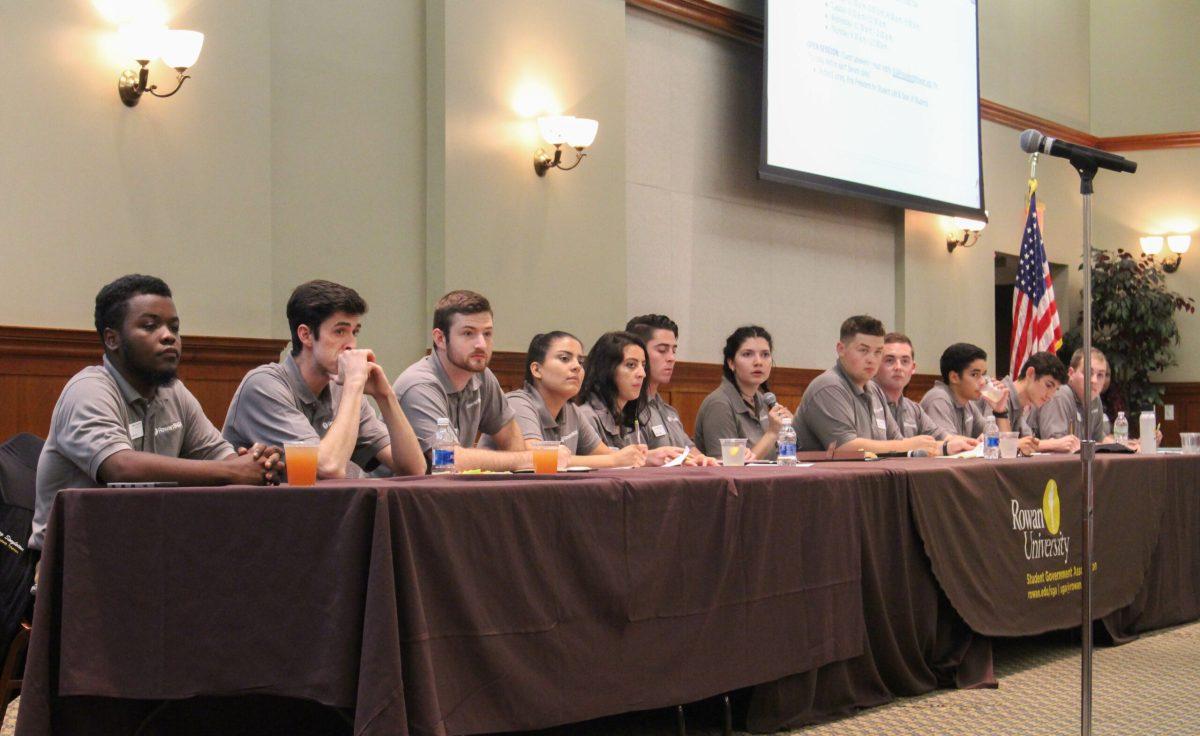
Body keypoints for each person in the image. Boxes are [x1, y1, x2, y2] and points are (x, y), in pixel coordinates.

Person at [30, 275, 281, 551]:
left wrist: (255, 465)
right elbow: (119, 468)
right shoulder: (88, 390)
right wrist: (231, 472)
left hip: (150, 553)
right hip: (76, 560)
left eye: (174, 327)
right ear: (112, 339)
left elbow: (220, 456)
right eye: (150, 326)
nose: (168, 336)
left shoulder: (174, 393)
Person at [223, 280, 425, 479]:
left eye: (354, 332)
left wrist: (385, 395)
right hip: (274, 510)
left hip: (332, 508)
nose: (351, 345)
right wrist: (354, 386)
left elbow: (414, 468)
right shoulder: (264, 385)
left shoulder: (341, 390)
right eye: (340, 331)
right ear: (306, 335)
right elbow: (327, 468)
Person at [394, 290, 540, 471]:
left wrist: (520, 461)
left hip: (446, 491)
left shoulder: (482, 376)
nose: (481, 344)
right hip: (397, 495)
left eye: (487, 334)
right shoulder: (419, 385)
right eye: (468, 333)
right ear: (440, 338)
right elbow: (448, 459)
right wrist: (523, 459)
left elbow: (512, 440)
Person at [796, 316, 966, 455]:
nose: (871, 359)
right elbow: (845, 447)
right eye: (863, 350)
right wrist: (910, 445)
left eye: (878, 352)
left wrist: (937, 447)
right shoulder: (829, 386)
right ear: (841, 349)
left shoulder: (874, 389)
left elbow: (896, 440)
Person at [483, 331, 647, 468]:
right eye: (564, 359)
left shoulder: (571, 410)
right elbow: (536, 460)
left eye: (580, 361)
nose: (577, 366)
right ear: (537, 370)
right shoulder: (517, 403)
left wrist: (642, 456)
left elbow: (606, 454)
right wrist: (614, 461)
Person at [625, 314, 719, 466]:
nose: (671, 358)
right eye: (662, 350)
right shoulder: (626, 409)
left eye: (673, 350)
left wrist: (702, 459)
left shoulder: (669, 411)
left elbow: (689, 451)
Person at [693, 325, 793, 460]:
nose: (758, 362)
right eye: (747, 354)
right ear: (731, 363)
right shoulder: (719, 404)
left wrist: (787, 430)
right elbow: (727, 466)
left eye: (765, 354)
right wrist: (772, 433)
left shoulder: (763, 400)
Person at [873, 333, 978, 450]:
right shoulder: (867, 403)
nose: (898, 367)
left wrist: (976, 443)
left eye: (905, 361)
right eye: (889, 360)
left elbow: (944, 437)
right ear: (875, 364)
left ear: (913, 368)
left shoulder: (914, 409)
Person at [1028, 347, 1118, 451]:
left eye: (1100, 375)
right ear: (1071, 373)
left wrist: (1122, 446)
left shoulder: (1095, 399)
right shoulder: (1060, 395)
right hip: (1044, 464)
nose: (1094, 380)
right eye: (1088, 373)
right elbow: (1057, 445)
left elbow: (1099, 439)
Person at [919, 343, 1011, 439]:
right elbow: (951, 446)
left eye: (983, 375)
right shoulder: (938, 400)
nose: (983, 382)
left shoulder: (968, 403)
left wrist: (1000, 412)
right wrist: (980, 443)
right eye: (975, 375)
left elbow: (1004, 443)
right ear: (954, 377)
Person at [993, 351, 1069, 453]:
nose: (1050, 396)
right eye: (1048, 385)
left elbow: (1029, 441)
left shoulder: (1021, 405)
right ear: (1030, 373)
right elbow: (992, 445)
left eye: (1055, 390)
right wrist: (1054, 443)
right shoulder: (998, 393)